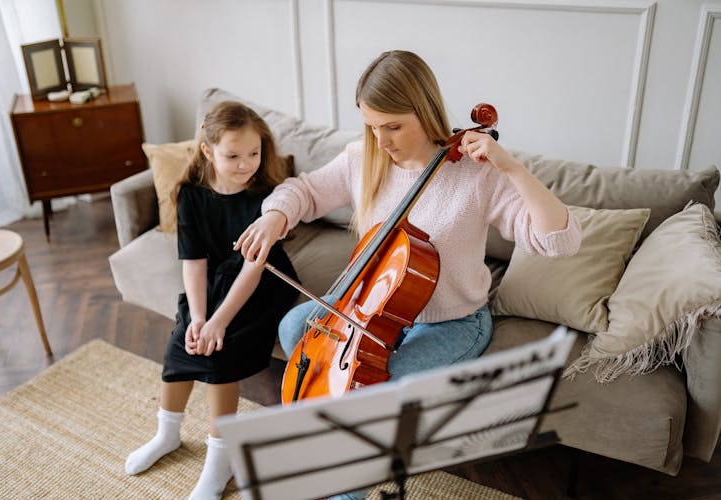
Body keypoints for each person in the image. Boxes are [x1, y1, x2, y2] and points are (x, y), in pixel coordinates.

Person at [235, 50, 581, 499]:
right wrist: (274, 217)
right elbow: (303, 191)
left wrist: (511, 167)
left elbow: (561, 241)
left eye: (393, 126)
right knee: (294, 326)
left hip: (451, 323)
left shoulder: (478, 174)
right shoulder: (364, 158)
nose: (382, 141)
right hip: (370, 312)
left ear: (424, 110)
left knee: (367, 398)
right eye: (371, 127)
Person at [125, 101, 299, 500]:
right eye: (233, 156)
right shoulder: (190, 195)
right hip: (217, 277)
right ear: (208, 150)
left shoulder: (266, 197)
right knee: (183, 337)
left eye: (253, 154)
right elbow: (193, 264)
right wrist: (200, 317)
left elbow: (253, 269)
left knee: (220, 350)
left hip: (263, 281)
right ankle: (167, 434)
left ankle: (219, 462)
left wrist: (219, 322)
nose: (246, 164)